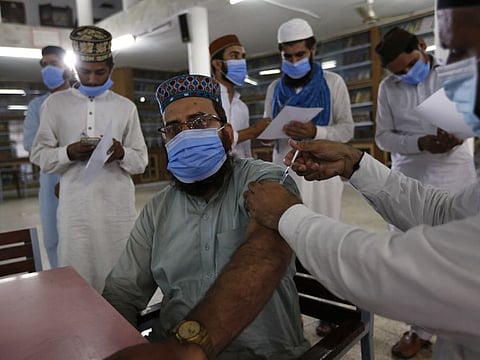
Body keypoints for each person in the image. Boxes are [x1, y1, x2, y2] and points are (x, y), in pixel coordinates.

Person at [244, 2, 480, 358]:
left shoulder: (334, 83)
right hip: (315, 166)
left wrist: (288, 215)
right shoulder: (276, 88)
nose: (454, 72)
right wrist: (355, 163)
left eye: (464, 53)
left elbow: (391, 270)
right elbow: (442, 212)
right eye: (453, 54)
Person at [102, 74, 309, 359]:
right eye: (173, 129)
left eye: (199, 121)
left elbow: (266, 254)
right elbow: (122, 292)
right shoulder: (158, 210)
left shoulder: (265, 181)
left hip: (265, 352)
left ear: (226, 133)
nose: (186, 134)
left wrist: (190, 348)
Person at [374, 27, 478, 358]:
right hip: (408, 176)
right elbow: (383, 138)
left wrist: (462, 132)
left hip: (454, 174)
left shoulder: (454, 73)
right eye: (398, 72)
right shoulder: (387, 89)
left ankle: (461, 329)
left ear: (422, 46)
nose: (406, 75)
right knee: (413, 259)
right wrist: (421, 142)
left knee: (454, 256)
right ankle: (419, 330)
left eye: (410, 65)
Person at [30, 25, 148, 293]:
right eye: (85, 72)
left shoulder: (125, 107)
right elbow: (40, 154)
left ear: (111, 69)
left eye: (100, 72)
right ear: (74, 70)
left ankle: (123, 332)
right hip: (76, 209)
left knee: (119, 276)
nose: (93, 79)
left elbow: (140, 161)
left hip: (117, 210)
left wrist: (120, 153)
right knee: (78, 279)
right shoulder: (55, 105)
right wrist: (69, 152)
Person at [263, 17, 354, 336]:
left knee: (324, 241)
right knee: (285, 241)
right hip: (286, 170)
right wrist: (275, 130)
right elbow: (266, 130)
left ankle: (328, 311)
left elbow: (346, 129)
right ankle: (289, 312)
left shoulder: (334, 84)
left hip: (323, 175)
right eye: (287, 56)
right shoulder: (274, 88)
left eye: (299, 55)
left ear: (313, 49)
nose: (293, 61)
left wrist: (316, 130)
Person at [23, 45, 70, 268]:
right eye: (44, 65)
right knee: (53, 239)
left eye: (53, 64)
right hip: (50, 180)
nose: (47, 69)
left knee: (83, 237)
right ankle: (62, 289)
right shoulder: (36, 106)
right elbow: (33, 148)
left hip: (82, 180)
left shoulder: (82, 101)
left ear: (66, 67)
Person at [209, 34, 271, 158]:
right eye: (234, 56)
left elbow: (245, 150)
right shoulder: (208, 101)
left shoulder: (242, 106)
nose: (241, 62)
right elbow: (213, 143)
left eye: (243, 57)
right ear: (217, 64)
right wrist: (253, 130)